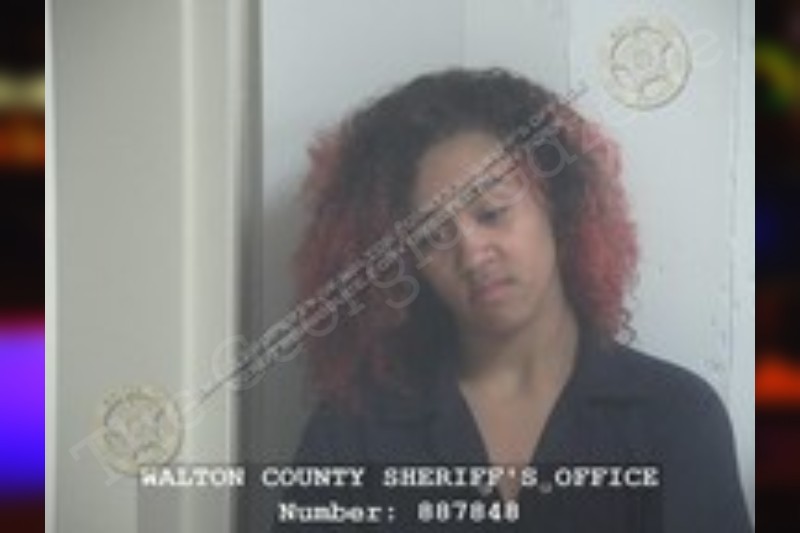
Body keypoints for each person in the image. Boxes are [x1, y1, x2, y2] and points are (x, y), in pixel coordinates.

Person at [273, 68, 752, 532]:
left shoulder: (675, 416)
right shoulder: (353, 430)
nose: (472, 254)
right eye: (432, 237)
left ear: (559, 210)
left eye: (492, 213)